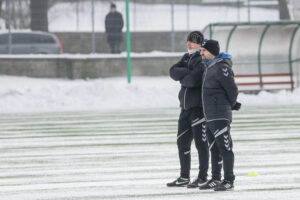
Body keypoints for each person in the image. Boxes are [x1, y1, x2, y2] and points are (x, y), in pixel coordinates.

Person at [167, 31, 209, 188]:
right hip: (184, 108)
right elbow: (172, 71)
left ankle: (203, 177)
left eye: (193, 41)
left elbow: (193, 80)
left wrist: (183, 76)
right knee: (182, 142)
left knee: (201, 144)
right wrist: (186, 73)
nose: (189, 43)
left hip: (198, 109)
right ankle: (184, 176)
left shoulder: (202, 59)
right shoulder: (186, 57)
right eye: (188, 41)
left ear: (200, 44)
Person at [199, 39, 241, 191]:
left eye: (203, 51)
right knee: (214, 148)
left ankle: (229, 179)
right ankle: (216, 178)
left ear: (211, 52)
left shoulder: (221, 67)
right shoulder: (209, 67)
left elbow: (232, 89)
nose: (201, 53)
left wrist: (229, 105)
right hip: (210, 114)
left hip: (219, 114)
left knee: (225, 147)